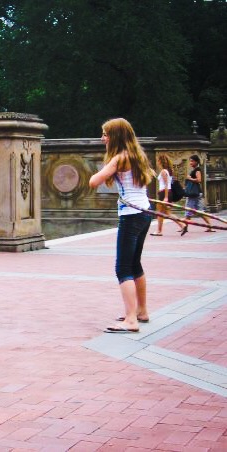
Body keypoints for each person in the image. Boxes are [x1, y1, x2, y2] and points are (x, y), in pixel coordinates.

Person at [89, 118, 155, 333]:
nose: (102, 138)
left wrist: (107, 165)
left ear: (115, 136)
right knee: (135, 264)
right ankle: (141, 311)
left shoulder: (119, 158)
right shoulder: (138, 155)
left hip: (131, 215)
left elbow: (94, 181)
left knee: (123, 268)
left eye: (105, 135)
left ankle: (130, 320)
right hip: (144, 213)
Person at [150, 153, 184, 236]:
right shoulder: (167, 171)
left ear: (160, 161)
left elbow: (165, 184)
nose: (157, 162)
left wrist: (165, 197)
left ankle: (159, 231)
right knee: (165, 213)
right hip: (167, 193)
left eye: (158, 161)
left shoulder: (163, 172)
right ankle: (181, 225)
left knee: (161, 213)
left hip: (164, 193)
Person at [179, 154, 214, 235]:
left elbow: (199, 180)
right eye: (190, 161)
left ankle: (184, 227)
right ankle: (209, 226)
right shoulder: (194, 169)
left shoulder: (197, 170)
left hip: (194, 194)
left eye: (192, 161)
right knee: (198, 212)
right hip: (195, 194)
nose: (190, 163)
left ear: (196, 162)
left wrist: (189, 178)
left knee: (189, 211)